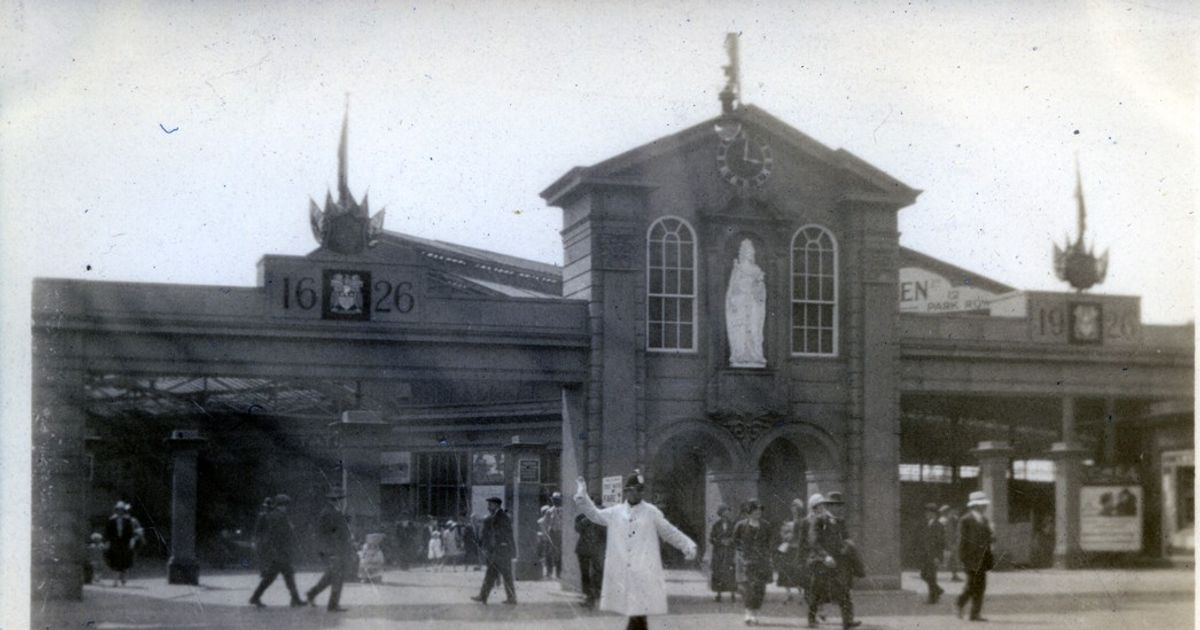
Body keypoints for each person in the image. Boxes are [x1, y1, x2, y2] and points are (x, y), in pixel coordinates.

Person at [574, 471, 698, 630]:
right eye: (634, 489)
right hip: (623, 573)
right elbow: (594, 515)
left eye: (640, 490)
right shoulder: (615, 512)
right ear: (627, 491)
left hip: (644, 571)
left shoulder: (651, 512)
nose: (638, 493)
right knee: (635, 615)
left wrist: (687, 545)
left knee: (638, 614)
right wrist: (582, 495)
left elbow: (669, 531)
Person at [799, 493, 860, 629]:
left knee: (844, 590)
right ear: (827, 506)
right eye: (832, 505)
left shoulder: (840, 521)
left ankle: (847, 621)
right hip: (821, 562)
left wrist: (845, 549)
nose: (836, 508)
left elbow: (846, 539)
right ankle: (811, 619)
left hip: (838, 562)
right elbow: (814, 542)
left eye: (838, 505)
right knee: (816, 591)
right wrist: (825, 556)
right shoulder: (819, 520)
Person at [249, 494, 306, 608]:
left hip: (277, 552)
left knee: (273, 577)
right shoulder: (279, 516)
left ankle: (255, 597)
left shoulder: (273, 515)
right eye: (285, 505)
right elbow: (279, 534)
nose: (287, 507)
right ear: (281, 505)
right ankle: (295, 599)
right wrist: (290, 530)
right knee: (287, 576)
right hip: (280, 552)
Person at [306, 490, 355, 612]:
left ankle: (311, 594)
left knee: (331, 576)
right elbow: (331, 532)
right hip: (333, 550)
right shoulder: (330, 513)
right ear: (332, 500)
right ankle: (332, 605)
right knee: (337, 576)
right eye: (338, 499)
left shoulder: (332, 512)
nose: (340, 501)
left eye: (340, 498)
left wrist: (343, 520)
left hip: (332, 549)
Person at [725, 239, 767, 368]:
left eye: (752, 250)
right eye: (749, 250)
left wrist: (759, 284)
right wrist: (734, 301)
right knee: (740, 331)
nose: (752, 252)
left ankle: (755, 356)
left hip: (753, 304)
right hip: (741, 304)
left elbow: (761, 293)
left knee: (754, 329)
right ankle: (740, 355)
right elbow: (732, 290)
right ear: (744, 252)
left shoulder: (756, 270)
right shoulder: (737, 270)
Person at [955, 491, 995, 622]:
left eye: (985, 504)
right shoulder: (965, 520)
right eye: (982, 504)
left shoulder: (985, 520)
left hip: (983, 558)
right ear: (975, 505)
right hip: (970, 558)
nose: (985, 507)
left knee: (981, 586)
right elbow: (962, 540)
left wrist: (992, 534)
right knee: (971, 586)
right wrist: (962, 558)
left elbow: (990, 538)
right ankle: (960, 603)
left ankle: (975, 614)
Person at [472, 496, 518, 605]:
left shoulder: (501, 516)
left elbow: (504, 533)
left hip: (502, 550)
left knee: (503, 575)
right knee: (492, 574)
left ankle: (510, 598)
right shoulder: (497, 516)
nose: (488, 507)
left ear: (496, 505)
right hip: (498, 550)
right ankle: (484, 596)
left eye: (490, 505)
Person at [733, 499, 773, 626]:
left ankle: (755, 613)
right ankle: (748, 613)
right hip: (747, 561)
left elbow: (770, 542)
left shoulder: (766, 526)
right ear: (749, 512)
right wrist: (742, 554)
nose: (758, 513)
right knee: (748, 588)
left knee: (760, 588)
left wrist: (768, 556)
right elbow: (736, 542)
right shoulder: (740, 525)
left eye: (760, 511)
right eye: (755, 511)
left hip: (762, 561)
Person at [575, 495, 607, 608]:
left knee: (597, 573)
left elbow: (606, 533)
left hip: (596, 550)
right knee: (585, 574)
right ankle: (588, 595)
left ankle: (593, 596)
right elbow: (577, 528)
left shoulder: (603, 517)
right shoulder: (582, 515)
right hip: (583, 549)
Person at [102, 501, 144, 586]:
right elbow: (107, 532)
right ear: (116, 510)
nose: (120, 512)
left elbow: (131, 531)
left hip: (125, 542)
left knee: (125, 561)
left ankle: (123, 577)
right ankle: (115, 581)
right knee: (115, 561)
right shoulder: (111, 520)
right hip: (115, 542)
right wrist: (107, 541)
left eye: (121, 510)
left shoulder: (127, 520)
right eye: (118, 510)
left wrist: (131, 540)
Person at [776, 498, 807, 603]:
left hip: (798, 548)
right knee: (786, 570)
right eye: (793, 507)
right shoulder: (787, 520)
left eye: (797, 508)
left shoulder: (804, 520)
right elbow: (783, 534)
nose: (795, 510)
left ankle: (801, 595)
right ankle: (788, 593)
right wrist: (787, 535)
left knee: (799, 571)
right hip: (788, 548)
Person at [708, 505, 738, 603]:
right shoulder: (716, 525)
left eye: (728, 511)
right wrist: (720, 542)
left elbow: (736, 537)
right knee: (718, 573)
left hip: (729, 552)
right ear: (721, 513)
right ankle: (718, 594)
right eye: (725, 511)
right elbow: (711, 538)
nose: (727, 513)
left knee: (731, 572)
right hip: (719, 553)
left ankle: (733, 594)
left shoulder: (733, 525)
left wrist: (730, 541)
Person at [920, 503, 945, 604]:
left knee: (931, 576)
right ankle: (938, 590)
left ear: (933, 513)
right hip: (927, 554)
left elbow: (940, 542)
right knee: (924, 574)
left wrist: (937, 557)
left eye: (928, 512)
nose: (926, 514)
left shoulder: (938, 525)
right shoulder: (928, 524)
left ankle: (932, 598)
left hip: (934, 555)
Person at [539, 493, 564, 579]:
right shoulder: (549, 511)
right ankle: (549, 572)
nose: (555, 501)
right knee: (549, 553)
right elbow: (545, 524)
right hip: (552, 533)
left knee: (560, 554)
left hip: (561, 534)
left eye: (557, 499)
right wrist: (546, 535)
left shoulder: (565, 511)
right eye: (554, 499)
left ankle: (559, 573)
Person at [939, 505, 961, 582]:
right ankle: (954, 575)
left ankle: (954, 575)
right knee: (950, 558)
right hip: (947, 542)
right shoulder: (944, 520)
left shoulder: (948, 519)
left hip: (949, 541)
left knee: (953, 559)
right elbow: (947, 532)